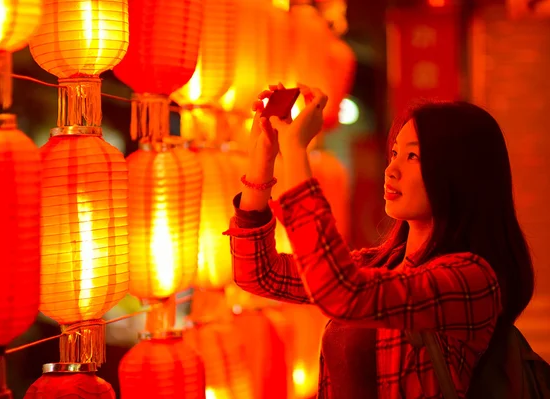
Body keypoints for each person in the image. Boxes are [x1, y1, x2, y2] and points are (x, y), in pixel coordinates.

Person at [224, 83, 535, 399]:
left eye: (412, 156)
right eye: (395, 153)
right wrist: (262, 159)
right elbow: (258, 273)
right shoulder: (380, 265)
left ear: (460, 173)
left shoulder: (470, 278)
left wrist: (295, 152)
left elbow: (341, 293)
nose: (391, 170)